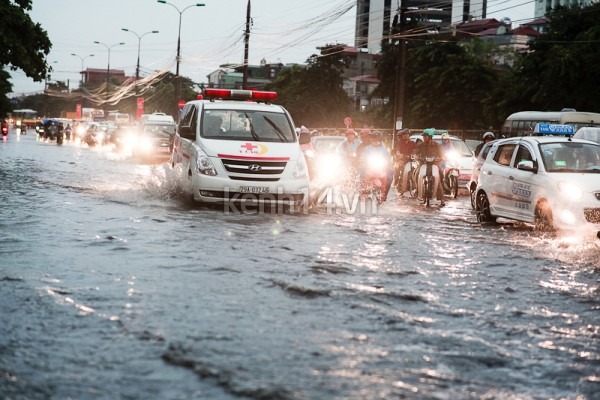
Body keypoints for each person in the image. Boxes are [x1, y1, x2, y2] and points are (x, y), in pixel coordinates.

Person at [412, 128, 445, 206]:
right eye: (423, 136)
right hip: (423, 164)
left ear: (430, 137)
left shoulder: (437, 145)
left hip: (435, 164)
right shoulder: (421, 145)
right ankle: (418, 192)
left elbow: (442, 154)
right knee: (417, 175)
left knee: (439, 177)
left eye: (425, 136)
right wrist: (415, 156)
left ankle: (440, 198)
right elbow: (415, 152)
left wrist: (441, 157)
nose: (424, 138)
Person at [359, 131, 393, 202]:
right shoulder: (367, 148)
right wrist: (362, 161)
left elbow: (388, 157)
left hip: (381, 167)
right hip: (369, 167)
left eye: (377, 139)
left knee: (390, 177)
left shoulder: (384, 149)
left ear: (380, 140)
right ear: (371, 139)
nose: (375, 141)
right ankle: (363, 191)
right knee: (361, 174)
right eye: (374, 139)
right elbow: (363, 157)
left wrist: (388, 163)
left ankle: (385, 194)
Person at [393, 128, 415, 193]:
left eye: (407, 134)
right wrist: (400, 155)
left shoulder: (412, 143)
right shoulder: (399, 143)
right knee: (399, 170)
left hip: (411, 161)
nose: (406, 136)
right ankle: (399, 185)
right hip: (402, 161)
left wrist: (415, 155)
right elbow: (397, 151)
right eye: (404, 134)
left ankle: (417, 187)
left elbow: (416, 151)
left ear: (409, 135)